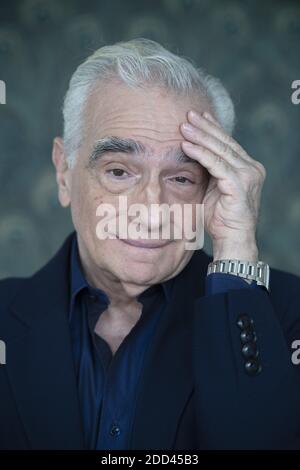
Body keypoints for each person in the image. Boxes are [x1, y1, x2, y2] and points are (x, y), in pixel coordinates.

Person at [1, 38, 300, 450]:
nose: (152, 209)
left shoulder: (287, 320)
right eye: (120, 171)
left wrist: (236, 260)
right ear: (64, 172)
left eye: (181, 178)